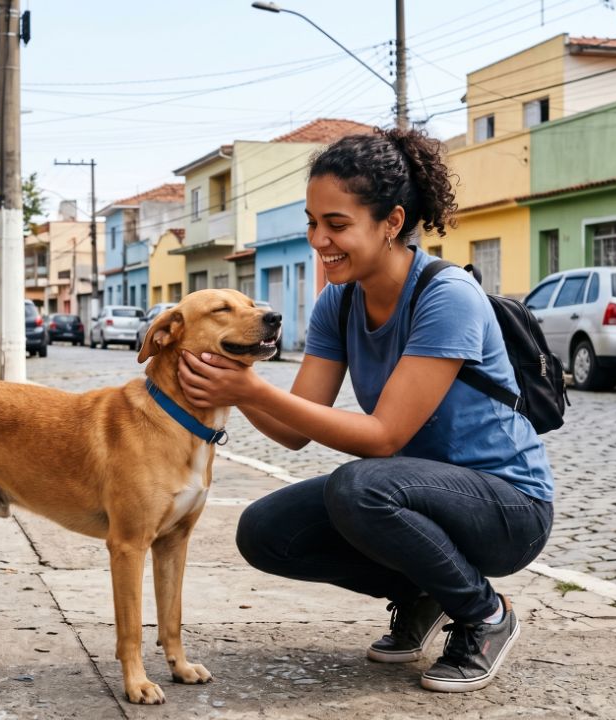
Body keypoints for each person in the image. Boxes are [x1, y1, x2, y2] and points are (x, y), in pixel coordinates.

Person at [177, 128, 554, 694]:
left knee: (359, 486)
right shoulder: (341, 299)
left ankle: (484, 615)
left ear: (392, 222)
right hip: (417, 498)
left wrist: (248, 392)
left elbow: (382, 437)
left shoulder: (446, 296)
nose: (318, 240)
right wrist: (240, 382)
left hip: (507, 507)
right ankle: (423, 592)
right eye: (312, 222)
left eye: (337, 224)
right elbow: (292, 428)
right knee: (266, 532)